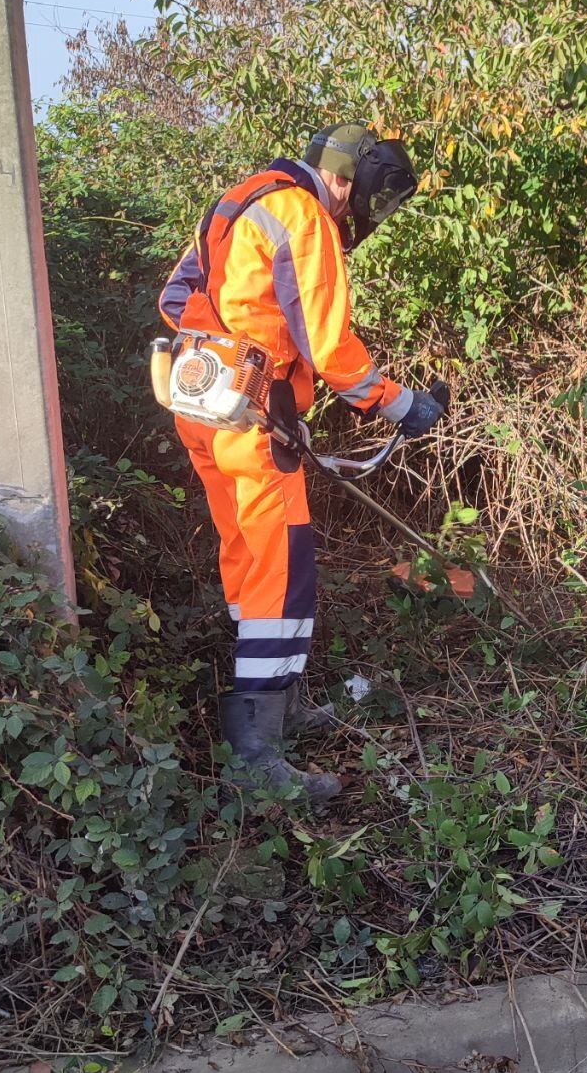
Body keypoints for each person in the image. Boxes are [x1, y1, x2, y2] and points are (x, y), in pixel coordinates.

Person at [158, 123, 445, 802]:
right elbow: (329, 344)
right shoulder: (304, 214)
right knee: (282, 575)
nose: (367, 214)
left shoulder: (239, 200)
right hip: (251, 421)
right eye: (377, 198)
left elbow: (175, 301)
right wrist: (399, 404)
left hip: (202, 407)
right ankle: (257, 755)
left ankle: (272, 707)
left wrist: (233, 356)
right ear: (353, 179)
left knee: (247, 560)